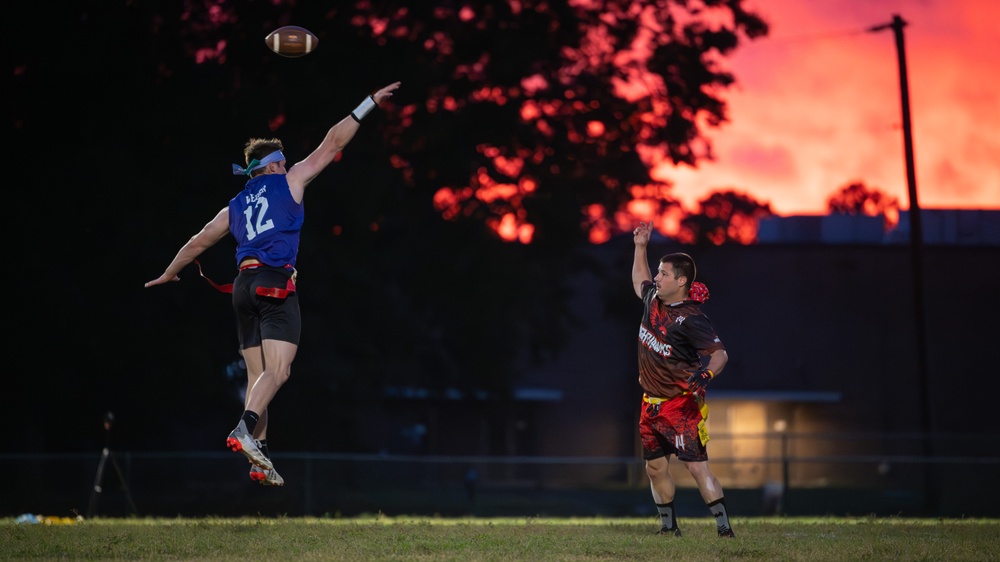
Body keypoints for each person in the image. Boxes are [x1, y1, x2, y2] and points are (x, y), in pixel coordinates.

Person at [145, 81, 402, 486]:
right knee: (279, 372)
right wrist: (368, 103)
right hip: (275, 284)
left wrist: (169, 272)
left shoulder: (235, 205)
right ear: (276, 164)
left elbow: (198, 241)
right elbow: (333, 142)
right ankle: (244, 430)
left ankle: (258, 455)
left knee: (257, 376)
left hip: (243, 289)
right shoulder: (292, 179)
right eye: (283, 162)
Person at [631, 221, 735, 538]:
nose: (656, 278)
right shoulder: (652, 300)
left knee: (695, 467)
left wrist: (707, 372)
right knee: (654, 468)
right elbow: (639, 280)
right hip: (650, 405)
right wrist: (640, 246)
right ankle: (668, 528)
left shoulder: (690, 317)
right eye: (658, 272)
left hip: (680, 405)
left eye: (663, 274)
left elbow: (720, 354)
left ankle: (724, 530)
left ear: (681, 281)